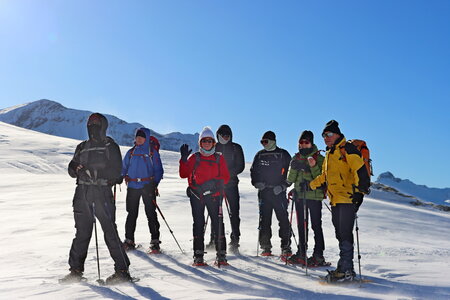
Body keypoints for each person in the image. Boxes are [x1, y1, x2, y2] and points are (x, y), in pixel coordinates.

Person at [60, 113, 132, 285]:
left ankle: (122, 270)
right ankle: (75, 271)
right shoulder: (82, 146)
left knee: (110, 231)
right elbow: (71, 168)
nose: (92, 126)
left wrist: (97, 174)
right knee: (82, 233)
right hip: (82, 193)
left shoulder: (110, 145)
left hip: (102, 193)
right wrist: (76, 168)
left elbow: (117, 171)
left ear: (103, 126)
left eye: (96, 124)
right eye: (90, 124)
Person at [310, 120, 370, 282]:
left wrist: (360, 192)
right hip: (336, 200)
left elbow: (360, 170)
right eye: (323, 135)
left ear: (337, 134)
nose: (326, 138)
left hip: (348, 198)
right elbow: (325, 176)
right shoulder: (330, 153)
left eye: (329, 134)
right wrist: (311, 184)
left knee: (344, 232)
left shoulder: (347, 149)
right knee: (340, 233)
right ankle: (345, 267)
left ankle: (345, 269)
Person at [179, 126, 230, 266]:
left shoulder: (219, 158)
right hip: (197, 196)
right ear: (200, 143)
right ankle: (198, 255)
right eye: (204, 141)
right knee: (198, 223)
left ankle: (221, 255)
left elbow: (226, 177)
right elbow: (183, 174)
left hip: (214, 195)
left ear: (213, 142)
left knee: (218, 223)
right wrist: (183, 160)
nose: (207, 143)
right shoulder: (194, 157)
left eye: (209, 140)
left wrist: (215, 184)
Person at [286, 130, 327, 266]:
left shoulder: (319, 158)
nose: (303, 145)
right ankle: (301, 253)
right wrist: (294, 167)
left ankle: (318, 255)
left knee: (316, 226)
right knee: (301, 226)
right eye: (301, 142)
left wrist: (311, 166)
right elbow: (291, 179)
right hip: (299, 196)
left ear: (311, 143)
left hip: (314, 197)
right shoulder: (296, 158)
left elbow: (321, 178)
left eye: (306, 142)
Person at [121, 128, 164, 253]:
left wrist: (154, 184)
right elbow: (124, 167)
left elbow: (158, 170)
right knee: (131, 214)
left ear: (146, 138)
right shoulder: (131, 152)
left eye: (141, 137)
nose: (139, 139)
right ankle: (129, 240)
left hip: (147, 186)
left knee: (151, 213)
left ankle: (155, 241)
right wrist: (119, 176)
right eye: (137, 137)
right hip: (133, 187)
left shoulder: (152, 153)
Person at [250, 131, 292, 257]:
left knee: (283, 219)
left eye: (266, 141)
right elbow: (253, 171)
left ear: (273, 141)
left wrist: (284, 186)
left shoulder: (283, 154)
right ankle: (265, 247)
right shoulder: (259, 155)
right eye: (262, 142)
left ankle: (286, 247)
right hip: (264, 192)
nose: (264, 144)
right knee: (264, 220)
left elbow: (291, 172)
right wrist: (256, 183)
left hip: (278, 192)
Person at [206, 125, 245, 254]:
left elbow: (240, 166)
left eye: (227, 135)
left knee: (234, 213)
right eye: (223, 135)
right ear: (218, 135)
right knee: (215, 213)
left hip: (231, 184)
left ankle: (235, 241)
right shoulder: (213, 147)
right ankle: (214, 239)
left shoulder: (236, 148)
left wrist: (227, 175)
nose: (225, 138)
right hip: (216, 185)